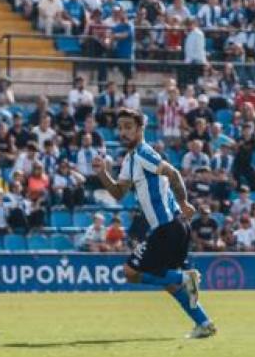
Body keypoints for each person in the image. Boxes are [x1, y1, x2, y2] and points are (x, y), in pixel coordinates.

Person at [91, 108, 216, 339]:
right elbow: (119, 193)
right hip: (174, 227)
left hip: (167, 227)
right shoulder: (130, 159)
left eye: (128, 127)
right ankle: (204, 322)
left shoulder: (142, 153)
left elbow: (173, 173)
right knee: (167, 282)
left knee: (130, 272)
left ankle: (184, 277)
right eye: (120, 127)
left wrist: (185, 201)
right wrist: (102, 173)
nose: (123, 132)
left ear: (140, 129)